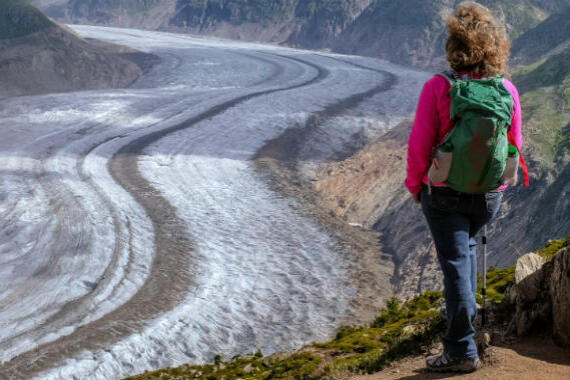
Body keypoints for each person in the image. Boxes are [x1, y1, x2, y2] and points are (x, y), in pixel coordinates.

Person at [404, 1, 522, 373]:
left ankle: (460, 350)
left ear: (454, 46)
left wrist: (415, 187)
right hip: (488, 196)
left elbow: (419, 145)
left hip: (444, 194)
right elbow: (514, 144)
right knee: (465, 254)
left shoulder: (438, 87)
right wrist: (498, 191)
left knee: (454, 265)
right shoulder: (507, 90)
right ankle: (467, 335)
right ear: (495, 47)